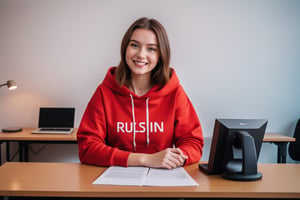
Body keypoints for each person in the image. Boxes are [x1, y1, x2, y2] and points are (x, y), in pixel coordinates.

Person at [77, 17, 204, 169]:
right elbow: (87, 147)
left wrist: (173, 159)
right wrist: (145, 159)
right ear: (125, 48)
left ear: (160, 55)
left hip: (162, 180)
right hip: (115, 182)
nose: (141, 54)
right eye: (135, 45)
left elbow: (193, 143)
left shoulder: (174, 93)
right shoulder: (104, 92)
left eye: (151, 48)